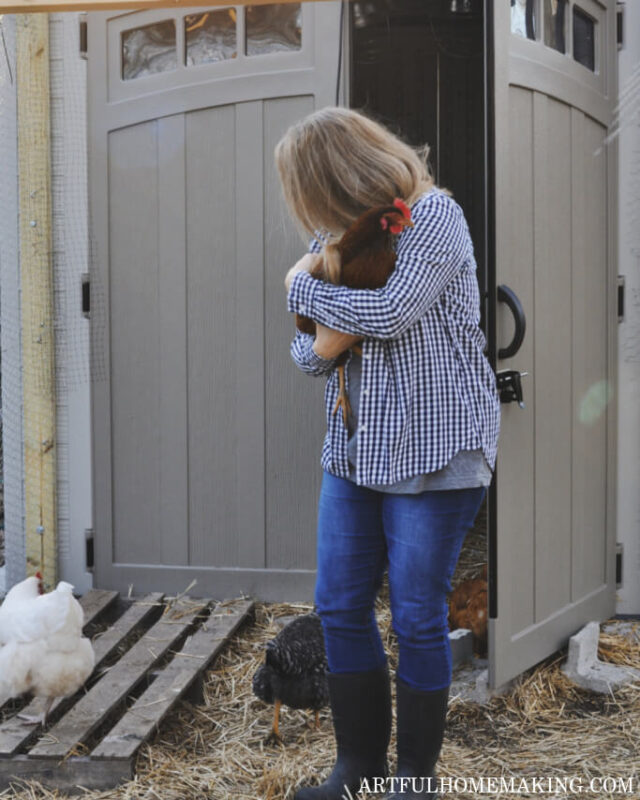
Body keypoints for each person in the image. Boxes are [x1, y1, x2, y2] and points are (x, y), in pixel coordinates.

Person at [276, 106, 500, 800]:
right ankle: (358, 771)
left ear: (342, 173)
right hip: (354, 451)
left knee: (415, 614)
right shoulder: (337, 233)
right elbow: (309, 354)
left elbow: (390, 312)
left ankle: (411, 782)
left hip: (435, 454)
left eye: (312, 191)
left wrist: (297, 283)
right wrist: (322, 329)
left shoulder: (434, 217)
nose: (310, 212)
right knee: (340, 606)